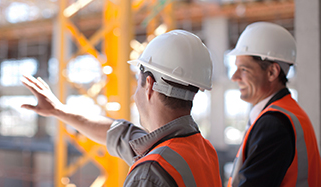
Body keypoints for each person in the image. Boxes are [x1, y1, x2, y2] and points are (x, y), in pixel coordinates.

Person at [21, 30, 222, 187]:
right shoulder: (201, 149)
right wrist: (59, 110)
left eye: (137, 83)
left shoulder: (151, 172)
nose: (135, 93)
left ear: (149, 84)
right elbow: (120, 134)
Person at [227, 22, 321, 187]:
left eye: (243, 69)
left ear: (272, 72)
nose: (234, 77)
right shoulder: (289, 113)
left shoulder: (274, 124)